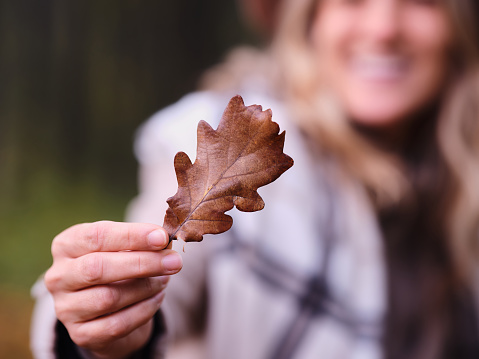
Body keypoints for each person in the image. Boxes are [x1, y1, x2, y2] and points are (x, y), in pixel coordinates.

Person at [31, 0, 479, 358]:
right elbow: (160, 280)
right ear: (310, 20)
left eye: (423, 1)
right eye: (351, 0)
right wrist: (107, 324)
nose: (384, 27)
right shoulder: (227, 134)